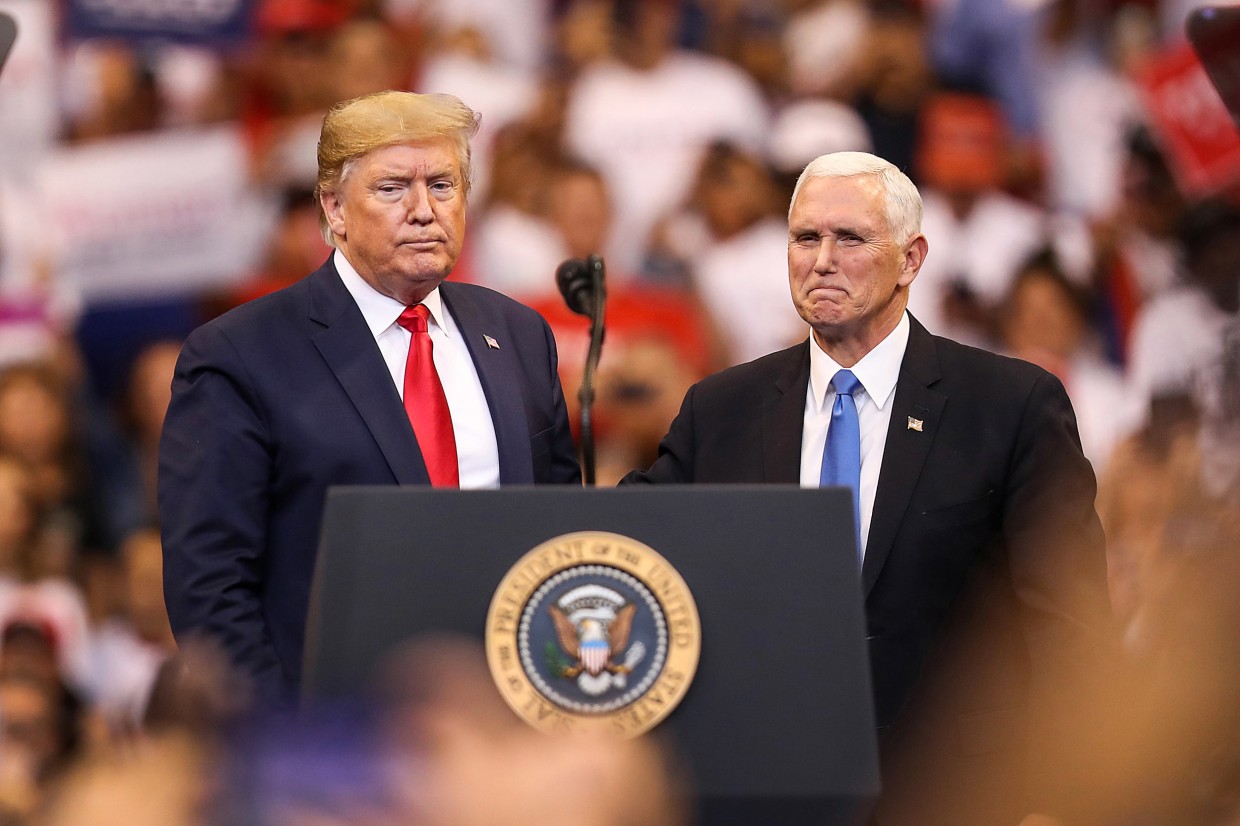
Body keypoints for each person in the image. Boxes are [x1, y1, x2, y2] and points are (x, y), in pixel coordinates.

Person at [623, 151, 1113, 824]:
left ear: (911, 260)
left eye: (849, 238)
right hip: (770, 792)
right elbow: (629, 544)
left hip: (964, 796)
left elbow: (1073, 628)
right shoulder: (723, 409)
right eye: (804, 238)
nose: (821, 259)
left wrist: (1065, 801)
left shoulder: (1010, 405)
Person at [159, 91, 581, 707]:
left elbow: (558, 531)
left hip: (506, 725)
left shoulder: (517, 333)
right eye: (391, 189)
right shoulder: (239, 354)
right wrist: (283, 741)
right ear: (334, 208)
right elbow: (210, 585)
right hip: (334, 743)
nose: (422, 211)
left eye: (442, 184)